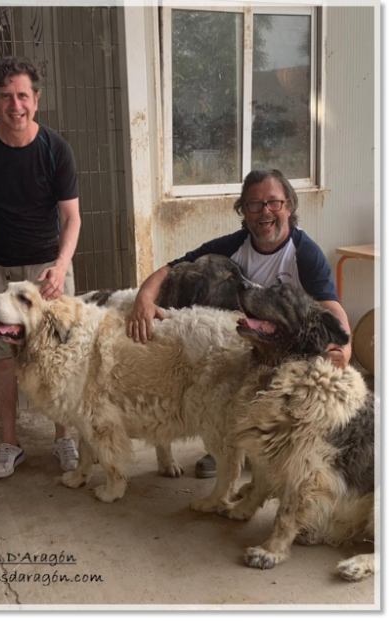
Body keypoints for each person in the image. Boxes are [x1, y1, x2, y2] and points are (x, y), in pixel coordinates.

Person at [127, 169, 352, 478]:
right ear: (243, 211)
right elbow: (173, 267)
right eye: (254, 204)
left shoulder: (305, 253)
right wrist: (144, 299)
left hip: (288, 349)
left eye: (273, 202)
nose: (265, 212)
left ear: (288, 206)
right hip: (247, 341)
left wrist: (344, 347)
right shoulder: (235, 244)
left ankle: (284, 446)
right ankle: (224, 447)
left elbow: (331, 306)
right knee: (210, 284)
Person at [0, 57, 82, 479]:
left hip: (47, 269)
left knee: (58, 353)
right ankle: (10, 443)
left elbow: (72, 218)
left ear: (37, 99)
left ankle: (64, 438)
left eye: (23, 96)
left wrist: (61, 266)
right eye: (6, 96)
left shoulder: (54, 148)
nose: (16, 105)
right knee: (3, 357)